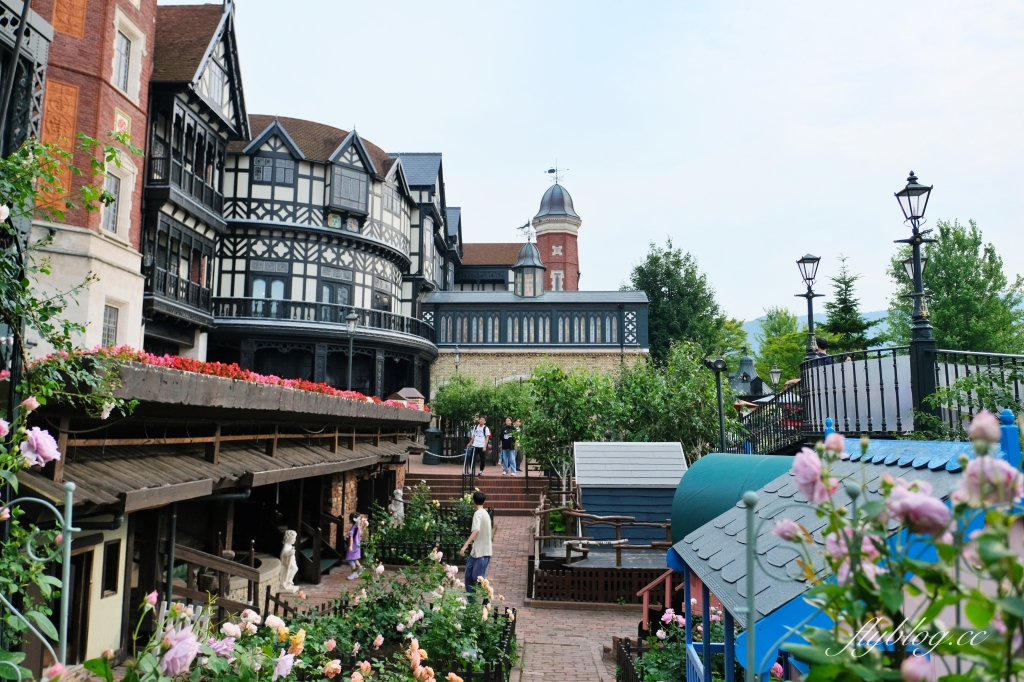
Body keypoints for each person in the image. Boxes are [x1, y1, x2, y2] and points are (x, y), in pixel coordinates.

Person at [460, 491, 492, 595]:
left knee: (476, 578)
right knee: (469, 577)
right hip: (476, 552)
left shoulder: (478, 514)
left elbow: (476, 530)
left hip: (481, 553)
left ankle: (486, 596)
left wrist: (465, 545)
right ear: (484, 501)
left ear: (473, 501)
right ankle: (471, 604)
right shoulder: (485, 513)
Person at [346, 511, 363, 580]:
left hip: (353, 546)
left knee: (350, 559)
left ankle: (354, 573)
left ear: (351, 520)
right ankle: (360, 568)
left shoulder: (353, 528)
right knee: (355, 559)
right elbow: (361, 534)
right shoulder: (358, 527)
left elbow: (351, 537)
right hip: (357, 545)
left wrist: (350, 546)